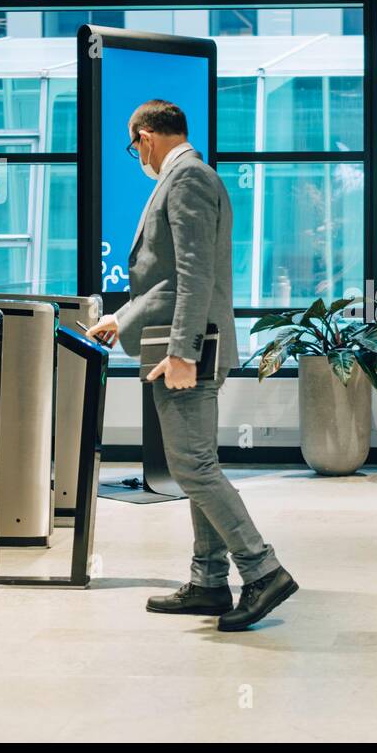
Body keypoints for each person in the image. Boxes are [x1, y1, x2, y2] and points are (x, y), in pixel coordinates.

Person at [86, 100, 297, 633]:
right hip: (182, 342)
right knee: (196, 462)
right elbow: (169, 282)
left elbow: (193, 273)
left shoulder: (186, 179)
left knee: (193, 468)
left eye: (135, 146)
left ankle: (262, 569)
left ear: (146, 135)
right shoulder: (189, 176)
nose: (137, 155)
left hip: (188, 349)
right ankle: (208, 582)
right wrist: (123, 316)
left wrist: (182, 351)